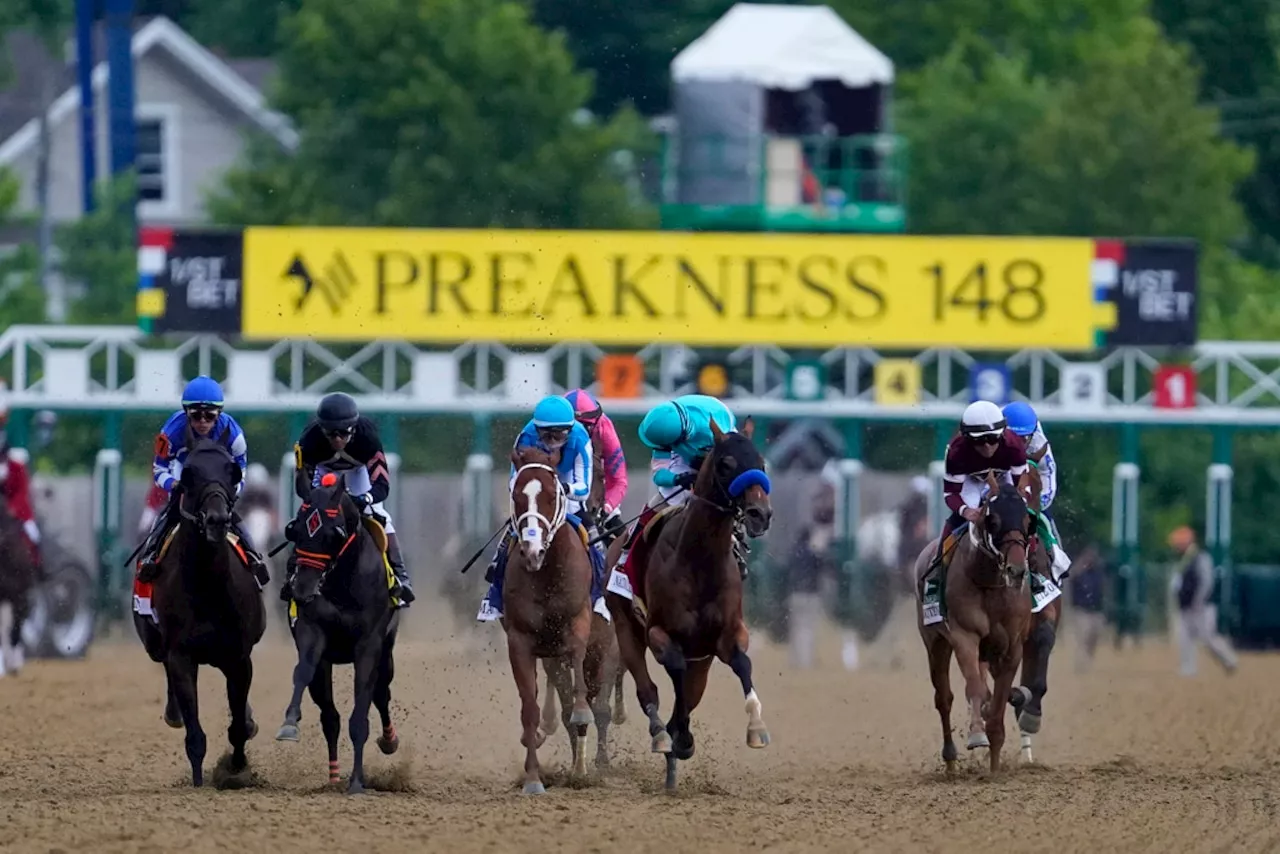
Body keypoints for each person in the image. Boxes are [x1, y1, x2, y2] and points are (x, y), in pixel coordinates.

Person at [606, 393, 748, 604]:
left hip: (719, 456)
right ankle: (626, 556)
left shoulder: (720, 423)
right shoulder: (663, 428)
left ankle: (737, 544)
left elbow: (735, 462)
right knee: (655, 505)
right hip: (683, 459)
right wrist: (679, 478)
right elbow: (660, 476)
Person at [478, 395, 605, 622]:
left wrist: (558, 488)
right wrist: (530, 492)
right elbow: (513, 481)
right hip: (535, 496)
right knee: (510, 535)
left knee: (594, 540)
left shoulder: (580, 438)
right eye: (546, 435)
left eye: (559, 435)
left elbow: (584, 488)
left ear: (569, 430)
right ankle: (493, 596)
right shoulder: (526, 437)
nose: (552, 440)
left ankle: (601, 594)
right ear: (537, 430)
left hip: (568, 492)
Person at [282, 392, 414, 607]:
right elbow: (302, 486)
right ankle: (292, 575)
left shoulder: (367, 437)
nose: (337, 439)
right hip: (324, 472)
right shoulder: (310, 440)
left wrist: (365, 498)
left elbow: (382, 485)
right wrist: (314, 503)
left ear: (353, 428)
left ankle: (400, 577)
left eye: (343, 433)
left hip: (358, 470)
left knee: (380, 515)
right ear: (321, 428)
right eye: (331, 434)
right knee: (308, 519)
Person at [136, 376, 269, 587]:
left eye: (209, 416)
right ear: (186, 413)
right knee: (167, 515)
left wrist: (233, 491)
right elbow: (159, 468)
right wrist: (174, 485)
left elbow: (241, 468)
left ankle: (253, 557)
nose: (203, 422)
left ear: (219, 414)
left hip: (217, 479)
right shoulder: (171, 432)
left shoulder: (234, 435)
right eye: (196, 416)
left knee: (230, 516)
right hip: (185, 470)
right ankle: (150, 556)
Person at [919, 400, 1029, 625]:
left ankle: (1037, 578)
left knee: (1023, 523)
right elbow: (951, 493)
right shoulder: (956, 450)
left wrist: (1017, 504)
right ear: (967, 438)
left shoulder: (1014, 445)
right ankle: (936, 580)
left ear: (1003, 434)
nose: (988, 447)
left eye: (992, 439)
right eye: (979, 441)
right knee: (955, 524)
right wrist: (966, 510)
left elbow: (1022, 485)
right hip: (971, 482)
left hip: (1004, 478)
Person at [1002, 400, 1070, 583]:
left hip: (1028, 492)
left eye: (1026, 438)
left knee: (1047, 527)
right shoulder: (991, 440)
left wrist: (1032, 507)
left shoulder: (1039, 445)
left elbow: (1048, 481)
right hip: (999, 487)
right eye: (1016, 438)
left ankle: (1056, 571)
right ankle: (938, 570)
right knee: (960, 521)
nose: (1022, 443)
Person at [1169, 525, 1238, 677]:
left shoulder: (1201, 557)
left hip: (1201, 606)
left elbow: (1206, 581)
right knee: (1184, 638)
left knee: (1208, 638)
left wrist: (1198, 600)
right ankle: (1188, 668)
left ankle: (1229, 661)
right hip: (1185, 606)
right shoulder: (1183, 560)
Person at [564, 389, 628, 542]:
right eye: (572, 428)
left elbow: (619, 481)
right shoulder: (545, 427)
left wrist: (607, 507)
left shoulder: (604, 429)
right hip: (561, 480)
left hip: (593, 490)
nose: (579, 432)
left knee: (628, 539)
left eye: (585, 427)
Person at [0, 394, 41, 570]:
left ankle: (38, 567)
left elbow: (21, 492)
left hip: (15, 512)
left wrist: (12, 509)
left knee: (33, 535)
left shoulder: (15, 466)